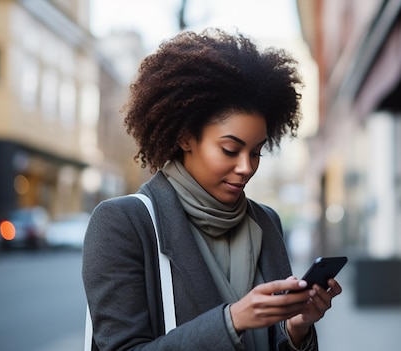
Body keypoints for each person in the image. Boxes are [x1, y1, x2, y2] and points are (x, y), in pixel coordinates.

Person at [82, 28, 343, 351]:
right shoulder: (123, 223)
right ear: (185, 137)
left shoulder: (265, 223)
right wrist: (231, 321)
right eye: (230, 150)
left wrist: (296, 329)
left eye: (256, 152)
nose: (246, 167)